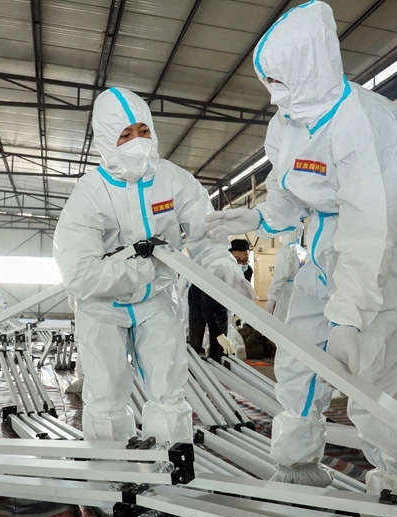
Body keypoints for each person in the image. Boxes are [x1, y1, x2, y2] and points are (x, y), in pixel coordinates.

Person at [206, 1, 397, 497]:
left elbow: (371, 225)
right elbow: (285, 187)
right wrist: (259, 217)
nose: (273, 95)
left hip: (380, 254)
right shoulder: (287, 121)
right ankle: (297, 464)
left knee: (376, 372)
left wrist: (351, 313)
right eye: (268, 83)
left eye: (280, 81)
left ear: (311, 67)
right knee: (298, 356)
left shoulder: (367, 120)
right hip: (323, 248)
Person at [53, 87, 253, 444]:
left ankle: (170, 463)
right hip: (102, 306)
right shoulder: (90, 194)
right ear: (106, 140)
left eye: (143, 131)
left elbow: (205, 233)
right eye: (125, 135)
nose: (138, 142)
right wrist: (143, 268)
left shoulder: (173, 180)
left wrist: (221, 265)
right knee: (106, 396)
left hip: (158, 299)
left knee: (169, 390)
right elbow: (80, 274)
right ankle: (112, 465)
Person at [189, 239, 252, 362]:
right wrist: (220, 336)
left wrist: (239, 313)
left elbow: (243, 292)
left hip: (222, 304)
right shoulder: (216, 272)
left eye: (245, 260)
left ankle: (217, 365)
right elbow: (207, 308)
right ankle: (191, 368)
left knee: (219, 348)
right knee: (196, 341)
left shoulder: (247, 270)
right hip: (199, 301)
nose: (242, 265)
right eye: (238, 260)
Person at [265, 228, 306, 320]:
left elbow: (279, 277)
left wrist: (272, 298)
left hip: (286, 294)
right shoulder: (303, 252)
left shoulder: (285, 251)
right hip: (300, 293)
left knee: (282, 321)